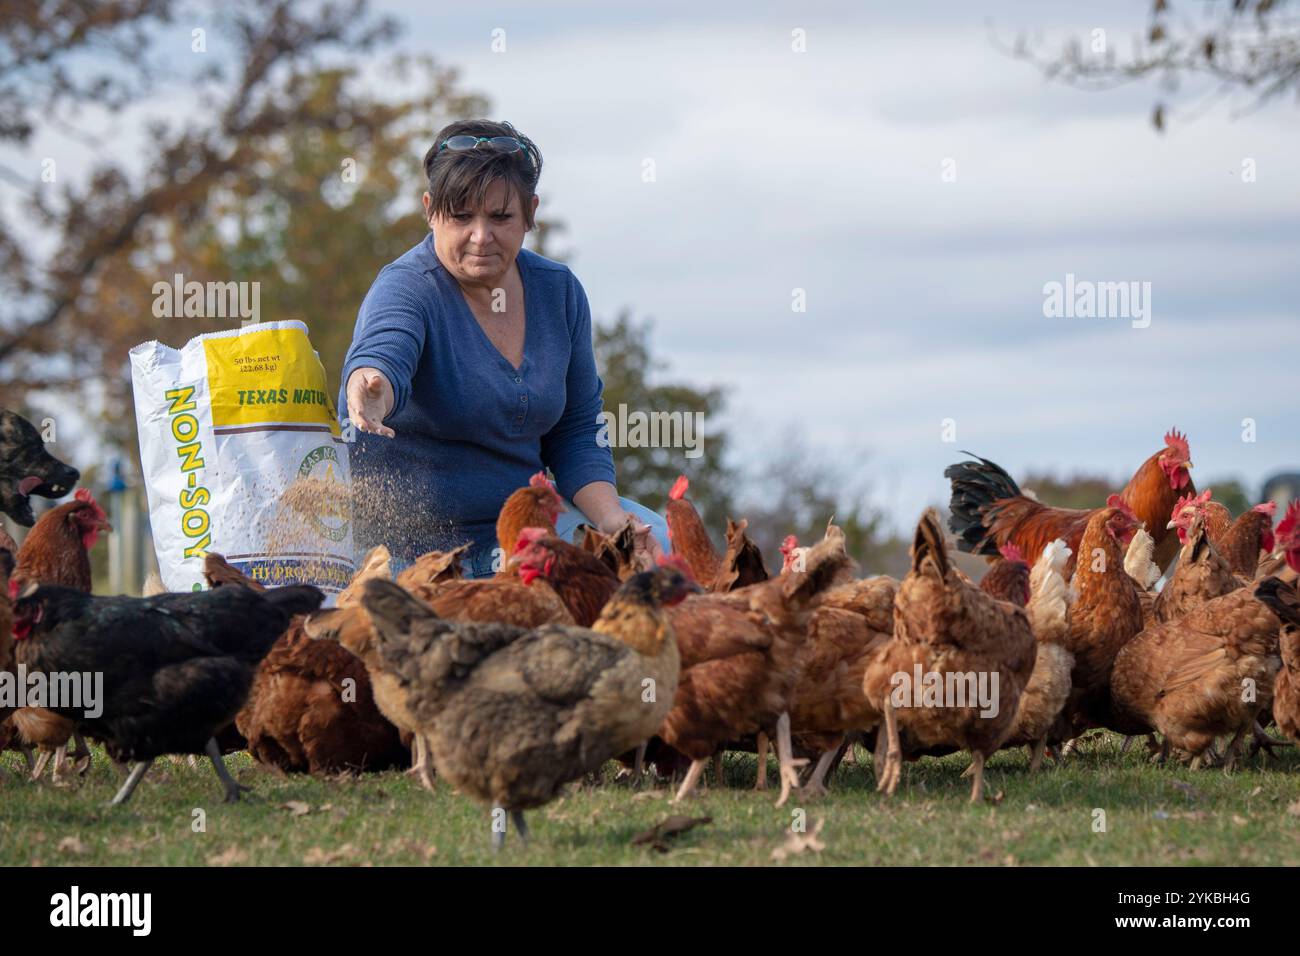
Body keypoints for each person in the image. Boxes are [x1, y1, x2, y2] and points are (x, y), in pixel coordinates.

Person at [338, 120, 668, 577]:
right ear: (430, 210)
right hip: (409, 552)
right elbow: (384, 350)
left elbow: (575, 431)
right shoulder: (407, 288)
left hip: (520, 535)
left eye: (500, 217)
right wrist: (372, 387)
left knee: (660, 541)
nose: (480, 236)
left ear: (530, 213)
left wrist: (613, 523)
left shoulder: (559, 292)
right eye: (461, 217)